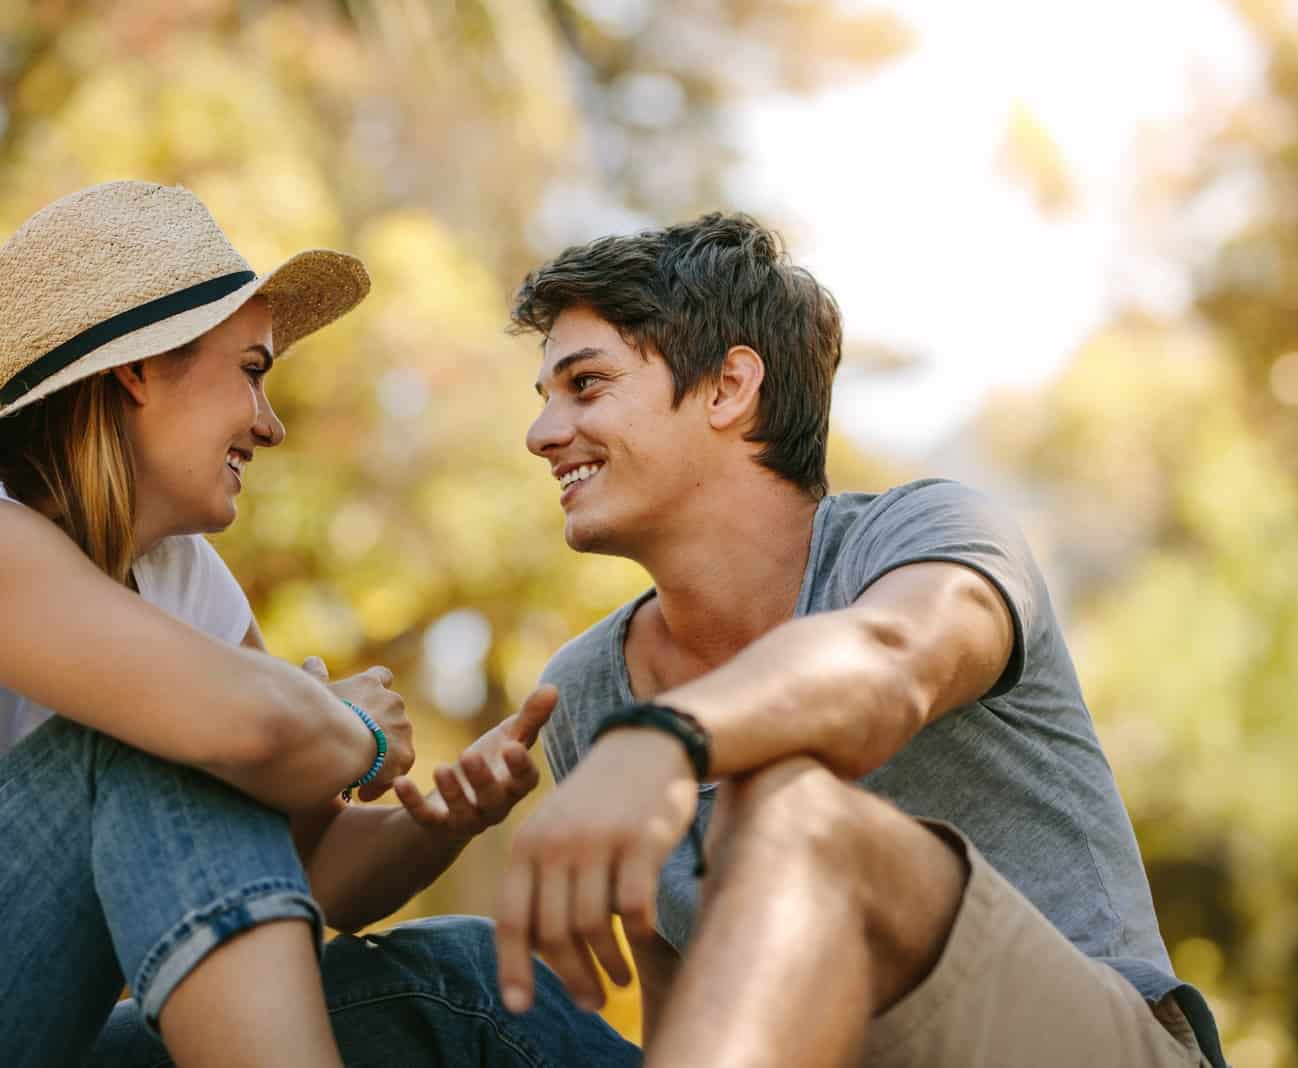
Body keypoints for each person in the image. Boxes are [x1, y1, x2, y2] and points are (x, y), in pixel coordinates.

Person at [0, 181, 638, 1068]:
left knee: (456, 983)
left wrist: (434, 822)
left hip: (32, 1040)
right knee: (149, 742)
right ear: (137, 368)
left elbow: (295, 875)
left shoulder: (180, 577)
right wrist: (345, 725)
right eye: (251, 370)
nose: (270, 424)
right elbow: (253, 728)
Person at [493, 213, 1230, 1067]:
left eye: (585, 385)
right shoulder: (584, 691)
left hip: (1098, 1046)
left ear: (730, 387)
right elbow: (681, 1003)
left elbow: (887, 663)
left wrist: (667, 738)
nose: (542, 434)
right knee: (441, 975)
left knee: (791, 813)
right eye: (546, 398)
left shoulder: (928, 534)